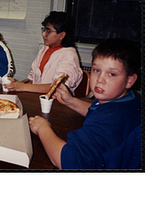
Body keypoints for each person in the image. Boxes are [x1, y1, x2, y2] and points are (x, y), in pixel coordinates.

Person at [29, 38, 141, 169]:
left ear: (130, 80)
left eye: (111, 74)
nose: (100, 80)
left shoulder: (112, 121)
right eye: (97, 70)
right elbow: (100, 110)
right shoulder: (129, 100)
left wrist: (42, 128)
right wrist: (71, 102)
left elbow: (69, 161)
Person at [4, 11, 82, 95]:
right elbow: (32, 80)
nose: (43, 34)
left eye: (48, 31)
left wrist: (22, 86)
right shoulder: (45, 49)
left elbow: (58, 87)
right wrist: (16, 85)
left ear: (61, 35)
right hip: (38, 98)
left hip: (57, 102)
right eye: (44, 30)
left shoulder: (69, 55)